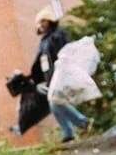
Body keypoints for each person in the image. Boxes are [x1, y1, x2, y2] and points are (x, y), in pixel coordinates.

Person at [29, 7, 91, 142]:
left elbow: (64, 53)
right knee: (54, 103)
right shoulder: (43, 40)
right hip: (51, 77)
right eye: (40, 22)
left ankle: (79, 124)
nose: (42, 24)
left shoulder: (58, 35)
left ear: (50, 21)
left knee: (54, 102)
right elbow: (41, 61)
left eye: (44, 21)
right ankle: (71, 131)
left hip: (61, 73)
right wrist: (34, 77)